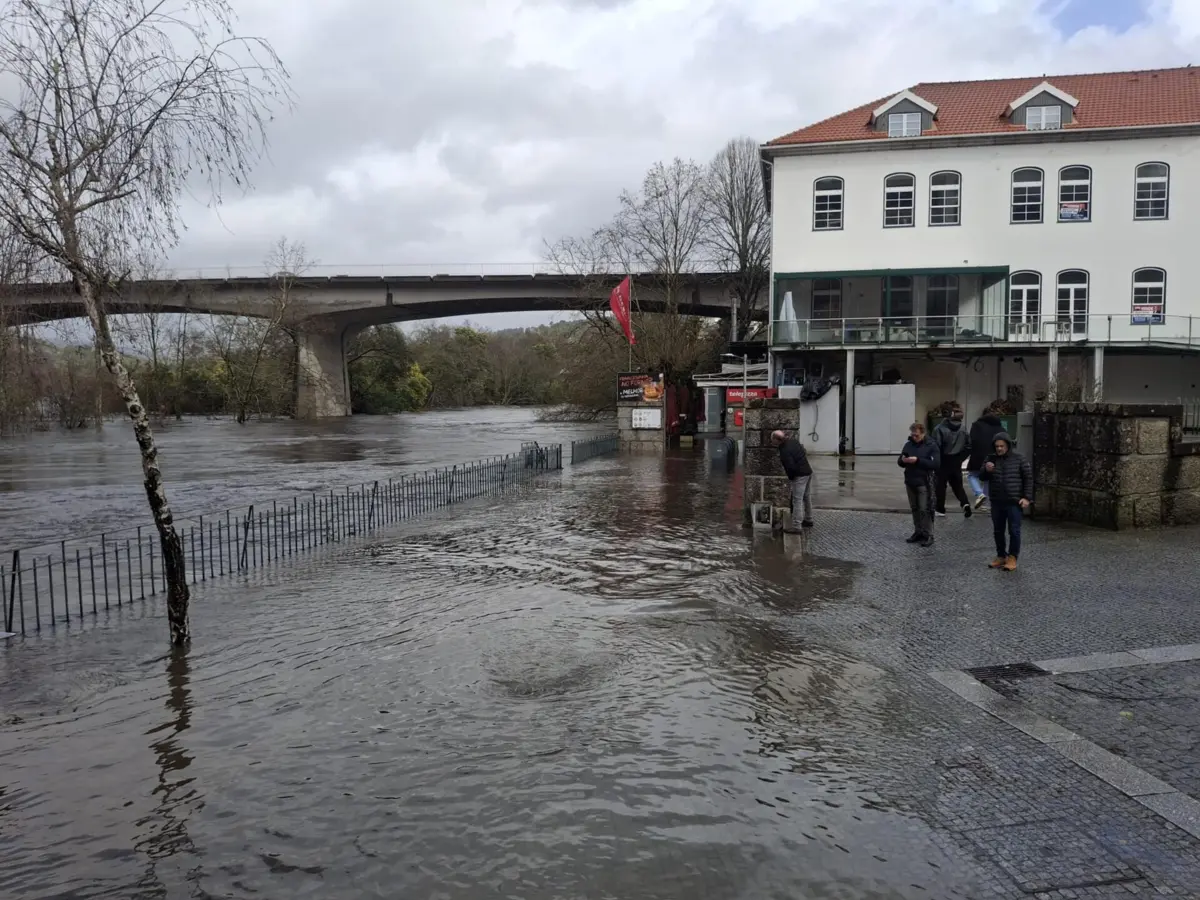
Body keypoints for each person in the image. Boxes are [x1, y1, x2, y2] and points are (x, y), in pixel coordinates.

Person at [981, 431, 1033, 571]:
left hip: (1014, 501)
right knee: (998, 531)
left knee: (1014, 531)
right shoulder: (990, 459)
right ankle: (1001, 555)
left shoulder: (1019, 459)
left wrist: (1027, 497)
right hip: (997, 500)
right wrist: (987, 470)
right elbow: (982, 476)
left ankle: (1012, 557)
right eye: (997, 446)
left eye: (1002, 446)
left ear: (1008, 446)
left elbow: (1028, 478)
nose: (999, 449)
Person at [898, 421, 940, 547]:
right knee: (915, 508)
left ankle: (929, 534)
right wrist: (903, 460)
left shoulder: (931, 446)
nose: (914, 437)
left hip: (924, 481)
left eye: (916, 435)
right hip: (910, 480)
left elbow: (936, 464)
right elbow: (900, 462)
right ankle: (918, 531)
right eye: (913, 435)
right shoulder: (908, 445)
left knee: (924, 508)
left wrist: (918, 460)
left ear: (923, 434)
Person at [933, 403, 972, 518]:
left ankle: (940, 509)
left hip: (943, 459)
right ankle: (965, 503)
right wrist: (961, 458)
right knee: (957, 485)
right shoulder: (963, 428)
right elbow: (969, 445)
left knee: (940, 485)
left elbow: (936, 446)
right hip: (956, 459)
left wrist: (936, 460)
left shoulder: (939, 429)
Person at [771, 430, 813, 532]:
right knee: (806, 497)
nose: (772, 441)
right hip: (808, 471)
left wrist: (791, 478)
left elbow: (790, 467)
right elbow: (803, 452)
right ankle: (809, 519)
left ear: (777, 440)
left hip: (799, 475)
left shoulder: (784, 451)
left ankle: (797, 526)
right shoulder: (794, 441)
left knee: (797, 500)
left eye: (772, 439)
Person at [966, 403, 1006, 510]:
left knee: (972, 475)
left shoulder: (976, 425)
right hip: (993, 456)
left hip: (978, 455)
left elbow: (971, 440)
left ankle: (979, 494)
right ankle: (986, 502)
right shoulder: (1000, 427)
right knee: (988, 478)